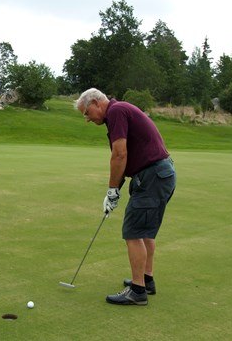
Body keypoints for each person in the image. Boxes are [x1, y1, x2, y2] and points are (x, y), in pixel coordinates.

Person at [74, 88, 176, 306]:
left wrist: (112, 190)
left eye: (86, 113)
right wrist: (116, 186)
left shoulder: (116, 112)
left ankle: (138, 291)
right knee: (145, 230)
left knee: (134, 231)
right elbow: (125, 157)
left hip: (152, 176)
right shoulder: (119, 111)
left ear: (96, 103)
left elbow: (119, 154)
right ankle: (146, 279)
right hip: (158, 175)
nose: (87, 119)